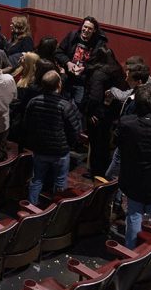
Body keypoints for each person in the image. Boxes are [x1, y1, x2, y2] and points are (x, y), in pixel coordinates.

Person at [117, 85, 151, 248]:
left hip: (132, 175)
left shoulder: (126, 123)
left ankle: (131, 251)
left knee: (134, 213)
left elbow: (119, 145)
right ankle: (147, 248)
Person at [24, 70, 82, 203]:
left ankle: (31, 208)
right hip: (60, 151)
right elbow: (75, 130)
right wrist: (68, 144)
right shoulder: (65, 106)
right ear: (59, 85)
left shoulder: (34, 102)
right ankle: (56, 211)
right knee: (60, 181)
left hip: (40, 148)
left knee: (37, 179)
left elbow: (27, 124)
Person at [82, 47, 124, 176]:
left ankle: (96, 171)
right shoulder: (118, 71)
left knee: (96, 143)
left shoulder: (99, 74)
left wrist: (90, 113)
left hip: (98, 114)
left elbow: (94, 97)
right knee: (105, 142)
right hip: (111, 112)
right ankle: (103, 169)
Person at [55, 16, 106, 107]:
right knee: (62, 104)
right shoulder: (72, 36)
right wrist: (68, 63)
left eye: (90, 28)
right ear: (81, 26)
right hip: (67, 77)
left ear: (94, 30)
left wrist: (84, 68)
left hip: (83, 82)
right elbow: (59, 52)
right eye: (85, 27)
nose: (86, 30)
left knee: (77, 107)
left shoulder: (99, 43)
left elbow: (99, 64)